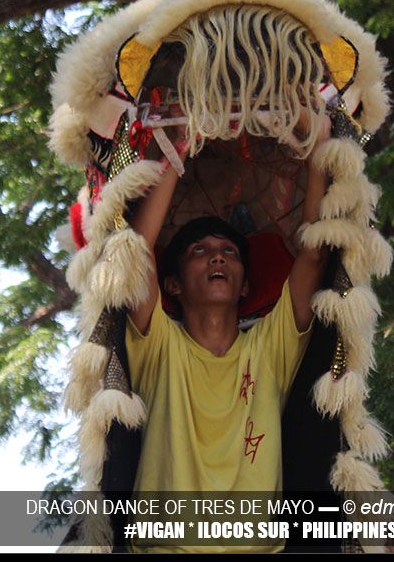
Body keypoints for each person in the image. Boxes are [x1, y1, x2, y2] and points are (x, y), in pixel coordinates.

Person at [125, 115, 332, 551]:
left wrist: (320, 150)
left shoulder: (270, 346)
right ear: (173, 285)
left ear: (245, 284)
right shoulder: (159, 344)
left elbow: (314, 254)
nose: (217, 258)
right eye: (199, 251)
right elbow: (136, 252)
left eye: (230, 252)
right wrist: (175, 153)